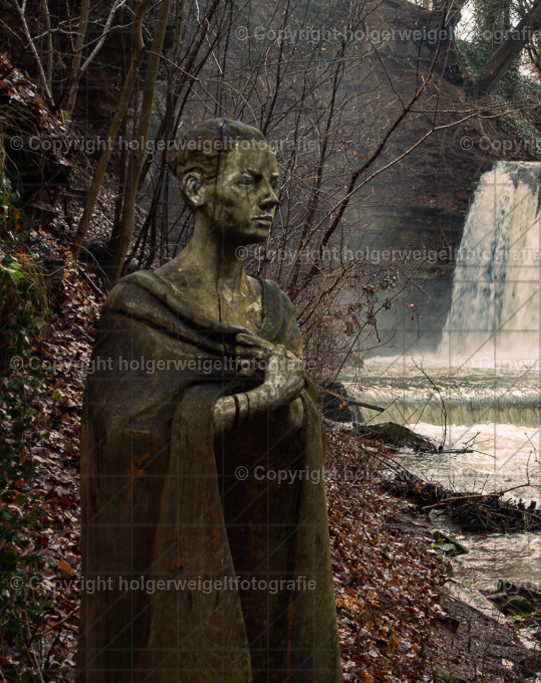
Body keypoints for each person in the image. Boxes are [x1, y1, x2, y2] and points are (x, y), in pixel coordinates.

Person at [78, 118, 342, 681]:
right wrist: (247, 402)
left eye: (275, 183)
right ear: (197, 190)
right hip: (170, 566)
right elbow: (120, 446)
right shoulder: (138, 307)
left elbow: (301, 427)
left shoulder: (276, 309)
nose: (271, 197)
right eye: (250, 181)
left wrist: (289, 400)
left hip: (262, 555)